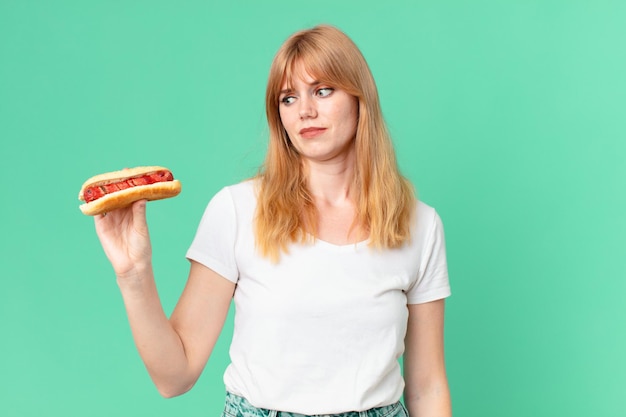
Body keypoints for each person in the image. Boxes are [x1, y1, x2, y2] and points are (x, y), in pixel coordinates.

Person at [94, 24, 452, 417]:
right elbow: (174, 377)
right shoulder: (236, 210)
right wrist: (133, 274)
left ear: (359, 98)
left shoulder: (420, 225)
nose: (305, 111)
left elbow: (428, 388)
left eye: (323, 90)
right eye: (288, 98)